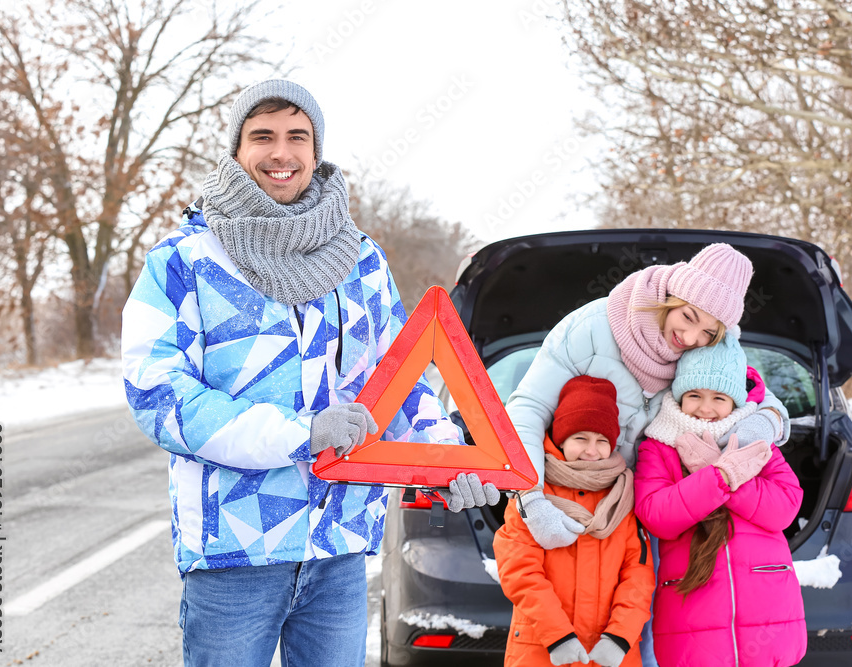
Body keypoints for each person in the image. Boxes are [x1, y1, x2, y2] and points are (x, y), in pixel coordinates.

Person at [121, 79, 499, 667]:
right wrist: (299, 434)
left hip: (339, 549)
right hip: (233, 554)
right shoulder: (184, 262)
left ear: (316, 151)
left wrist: (446, 458)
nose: (281, 153)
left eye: (298, 136)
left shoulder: (360, 259)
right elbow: (159, 397)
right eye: (263, 136)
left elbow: (400, 378)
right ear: (237, 150)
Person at [505, 242, 790, 665]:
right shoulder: (591, 328)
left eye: (708, 333)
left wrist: (767, 422)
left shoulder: (705, 346)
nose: (691, 338)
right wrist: (530, 499)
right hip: (570, 496)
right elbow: (526, 409)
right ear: (671, 295)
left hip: (647, 506)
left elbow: (749, 390)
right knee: (562, 626)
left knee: (643, 627)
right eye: (688, 317)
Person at [634, 333, 807, 666]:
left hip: (767, 609)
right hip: (692, 611)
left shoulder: (753, 441)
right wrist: (720, 477)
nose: (706, 408)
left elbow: (784, 506)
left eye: (719, 397)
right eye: (694, 395)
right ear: (678, 396)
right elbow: (656, 514)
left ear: (736, 402)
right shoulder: (659, 445)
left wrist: (727, 475)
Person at [494, 375, 655, 667]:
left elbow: (638, 575)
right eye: (580, 438)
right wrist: (558, 636)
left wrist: (620, 637)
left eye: (602, 441)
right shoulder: (533, 493)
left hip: (610, 653)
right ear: (561, 437)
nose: (591, 451)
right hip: (542, 649)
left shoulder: (622, 497)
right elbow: (519, 570)